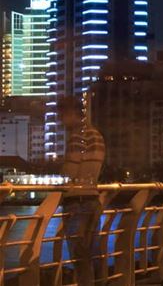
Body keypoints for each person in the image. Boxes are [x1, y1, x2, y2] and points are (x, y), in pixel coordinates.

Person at [59, 96, 106, 286]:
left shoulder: (77, 136)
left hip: (76, 202)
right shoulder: (97, 135)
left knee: (80, 257)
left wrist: (62, 173)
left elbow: (70, 171)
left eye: (62, 115)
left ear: (71, 113)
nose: (61, 120)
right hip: (93, 199)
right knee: (94, 254)